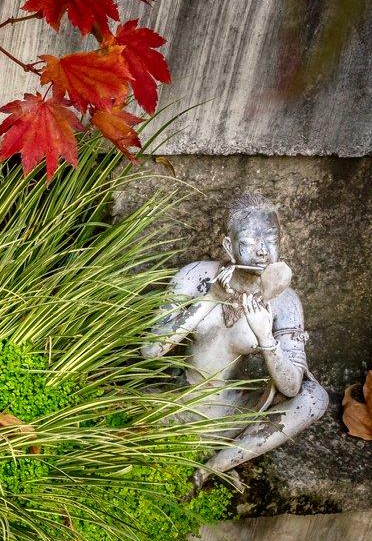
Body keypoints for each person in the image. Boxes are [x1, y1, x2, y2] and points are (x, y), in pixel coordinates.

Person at [140, 192, 329, 489]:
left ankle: (213, 467)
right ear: (229, 245)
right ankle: (194, 450)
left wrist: (267, 339)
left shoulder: (284, 301)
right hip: (178, 406)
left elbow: (292, 387)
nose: (263, 252)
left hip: (232, 415)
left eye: (271, 239)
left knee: (315, 397)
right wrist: (210, 299)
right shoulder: (196, 277)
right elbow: (151, 349)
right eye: (251, 241)